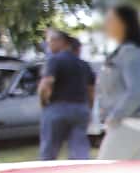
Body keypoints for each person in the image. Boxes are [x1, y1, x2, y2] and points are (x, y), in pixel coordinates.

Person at [96, 5, 140, 161]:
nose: (106, 24)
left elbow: (137, 92)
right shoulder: (137, 51)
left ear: (123, 24)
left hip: (132, 123)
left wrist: (115, 116)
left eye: (110, 20)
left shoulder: (130, 52)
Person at [36, 30, 95, 161]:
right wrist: (89, 108)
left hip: (57, 108)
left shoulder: (54, 60)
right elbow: (91, 90)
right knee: (79, 152)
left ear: (60, 41)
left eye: (50, 41)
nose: (49, 45)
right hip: (80, 109)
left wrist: (43, 102)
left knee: (49, 151)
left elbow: (47, 83)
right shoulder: (84, 64)